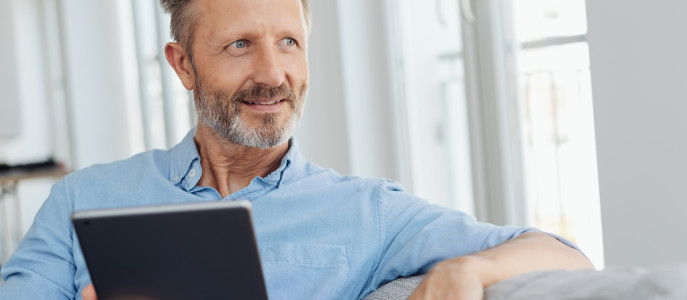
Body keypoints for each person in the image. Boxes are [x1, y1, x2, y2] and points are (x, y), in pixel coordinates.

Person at [0, 0, 593, 299]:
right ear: (183, 65)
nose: (273, 73)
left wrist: (474, 266)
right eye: (239, 46)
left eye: (288, 42)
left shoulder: (368, 212)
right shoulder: (85, 197)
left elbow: (566, 257)